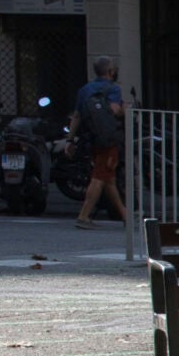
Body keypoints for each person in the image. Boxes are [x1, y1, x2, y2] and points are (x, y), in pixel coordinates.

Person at [71, 56, 128, 231]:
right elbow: (115, 110)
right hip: (109, 138)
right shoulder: (113, 89)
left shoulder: (85, 90)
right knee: (99, 177)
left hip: (92, 138)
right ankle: (83, 215)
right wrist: (125, 111)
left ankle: (125, 215)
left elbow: (77, 116)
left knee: (108, 178)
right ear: (110, 71)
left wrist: (70, 139)